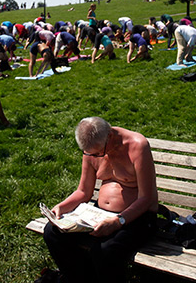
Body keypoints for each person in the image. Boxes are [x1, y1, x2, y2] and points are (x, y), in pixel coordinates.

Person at [41, 117, 158, 283]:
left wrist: (118, 221)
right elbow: (83, 191)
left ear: (109, 136)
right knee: (52, 233)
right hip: (99, 214)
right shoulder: (92, 149)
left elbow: (147, 198)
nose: (94, 156)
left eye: (98, 153)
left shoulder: (137, 145)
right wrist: (61, 207)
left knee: (104, 249)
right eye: (90, 153)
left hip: (137, 217)